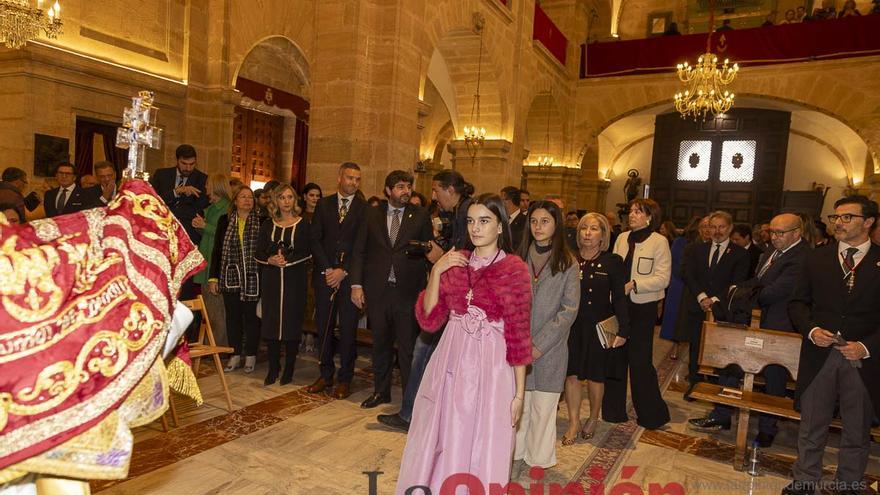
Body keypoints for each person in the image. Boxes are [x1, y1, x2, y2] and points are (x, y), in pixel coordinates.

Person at [396, 193, 532, 494]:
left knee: (484, 435)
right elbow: (429, 319)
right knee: (447, 430)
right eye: (471, 221)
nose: (476, 228)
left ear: (500, 226)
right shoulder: (456, 263)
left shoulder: (515, 269)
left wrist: (519, 394)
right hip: (451, 358)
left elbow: (518, 334)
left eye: (484, 221)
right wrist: (437, 271)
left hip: (492, 365)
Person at [782, 196, 880, 495]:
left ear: (868, 222)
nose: (838, 222)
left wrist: (866, 346)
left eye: (848, 217)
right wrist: (811, 330)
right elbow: (798, 303)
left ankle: (848, 484)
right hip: (819, 355)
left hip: (861, 360)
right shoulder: (817, 257)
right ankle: (805, 481)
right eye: (836, 217)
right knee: (812, 425)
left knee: (856, 429)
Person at [688, 213, 806, 447]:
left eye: (780, 233)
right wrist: (738, 291)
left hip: (780, 328)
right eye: (772, 232)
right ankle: (721, 416)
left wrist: (738, 295)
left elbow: (773, 292)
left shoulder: (802, 257)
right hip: (753, 322)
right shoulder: (771, 252)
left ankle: (767, 429)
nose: (774, 237)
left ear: (797, 233)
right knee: (732, 366)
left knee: (774, 378)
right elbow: (756, 281)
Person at [378, 169, 473, 431]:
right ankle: (416, 413)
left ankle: (411, 415)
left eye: (435, 190)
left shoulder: (465, 213)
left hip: (453, 299)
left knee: (422, 352)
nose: (433, 196)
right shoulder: (459, 212)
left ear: (449, 190)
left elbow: (462, 258)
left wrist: (439, 258)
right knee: (425, 354)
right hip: (452, 297)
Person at [350, 170, 435, 408]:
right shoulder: (371, 214)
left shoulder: (420, 215)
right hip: (378, 291)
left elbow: (429, 251)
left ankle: (410, 397)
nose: (405, 191)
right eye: (400, 186)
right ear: (388, 190)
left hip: (407, 292)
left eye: (408, 186)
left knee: (407, 348)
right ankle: (381, 391)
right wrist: (356, 285)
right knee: (380, 344)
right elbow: (359, 251)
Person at [514, 200, 579, 471]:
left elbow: (569, 310)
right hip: (518, 345)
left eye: (545, 221)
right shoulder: (517, 260)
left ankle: (538, 458)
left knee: (543, 406)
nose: (538, 227)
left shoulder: (568, 263)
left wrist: (539, 345)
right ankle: (515, 452)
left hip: (550, 348)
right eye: (534, 221)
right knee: (520, 405)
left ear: (556, 225)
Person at [563, 213, 629, 445]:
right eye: (584, 228)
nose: (588, 233)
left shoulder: (613, 261)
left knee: (595, 377)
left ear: (603, 234)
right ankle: (573, 422)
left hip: (599, 328)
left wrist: (623, 331)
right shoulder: (569, 258)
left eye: (594, 229)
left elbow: (620, 298)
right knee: (571, 374)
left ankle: (592, 418)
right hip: (571, 326)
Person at [605, 198, 671, 429]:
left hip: (643, 306)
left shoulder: (659, 241)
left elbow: (663, 277)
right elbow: (613, 268)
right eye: (631, 211)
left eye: (638, 212)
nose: (632, 215)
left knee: (640, 360)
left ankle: (651, 414)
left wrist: (634, 284)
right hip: (620, 305)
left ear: (650, 217)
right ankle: (614, 411)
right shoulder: (622, 238)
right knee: (616, 357)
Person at [306, 162, 367, 400]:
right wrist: (329, 269)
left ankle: (345, 378)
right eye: (350, 177)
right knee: (324, 327)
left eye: (357, 179)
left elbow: (362, 245)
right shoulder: (324, 204)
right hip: (325, 278)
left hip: (351, 280)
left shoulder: (364, 209)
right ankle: (325, 374)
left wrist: (344, 271)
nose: (353, 182)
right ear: (340, 177)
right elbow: (315, 239)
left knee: (349, 330)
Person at [683, 211, 750, 391]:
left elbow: (737, 282)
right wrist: (702, 296)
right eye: (713, 227)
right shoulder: (697, 249)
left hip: (723, 309)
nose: (717, 231)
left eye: (721, 227)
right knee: (695, 347)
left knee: (720, 351)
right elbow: (689, 275)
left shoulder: (740, 254)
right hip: (697, 306)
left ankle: (716, 389)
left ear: (730, 228)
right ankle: (695, 386)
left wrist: (713, 299)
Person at [256, 185, 311, 386]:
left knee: (291, 324)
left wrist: (287, 261)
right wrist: (270, 260)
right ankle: (273, 368)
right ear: (275, 201)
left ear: (295, 200)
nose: (286, 201)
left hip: (294, 281)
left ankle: (288, 368)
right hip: (271, 280)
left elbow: (307, 251)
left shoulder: (303, 225)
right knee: (271, 323)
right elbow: (258, 251)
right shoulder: (267, 225)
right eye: (282, 197)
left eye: (290, 197)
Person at [208, 186, 262, 373]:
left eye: (250, 197)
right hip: (230, 276)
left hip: (254, 278)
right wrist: (213, 277)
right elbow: (217, 251)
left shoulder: (262, 221)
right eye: (243, 197)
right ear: (235, 201)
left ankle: (251, 355)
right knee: (233, 317)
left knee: (252, 318)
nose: (247, 200)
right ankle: (235, 353)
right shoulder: (225, 221)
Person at [149, 144, 209, 245]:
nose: (188, 168)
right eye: (184, 164)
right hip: (161, 232)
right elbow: (154, 201)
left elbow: (201, 208)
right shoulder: (161, 175)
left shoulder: (202, 179)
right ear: (177, 160)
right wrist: (176, 192)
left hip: (189, 236)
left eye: (192, 164)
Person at [660, 216, 701, 359]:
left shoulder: (684, 242)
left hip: (684, 284)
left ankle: (684, 349)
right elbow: (675, 264)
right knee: (676, 318)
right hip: (680, 283)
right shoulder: (681, 242)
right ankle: (676, 347)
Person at [192, 173, 234, 287]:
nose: (205, 187)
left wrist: (205, 226)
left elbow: (226, 234)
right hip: (206, 253)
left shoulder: (228, 208)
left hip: (216, 258)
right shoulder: (210, 208)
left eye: (207, 184)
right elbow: (206, 233)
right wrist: (199, 225)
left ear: (215, 186)